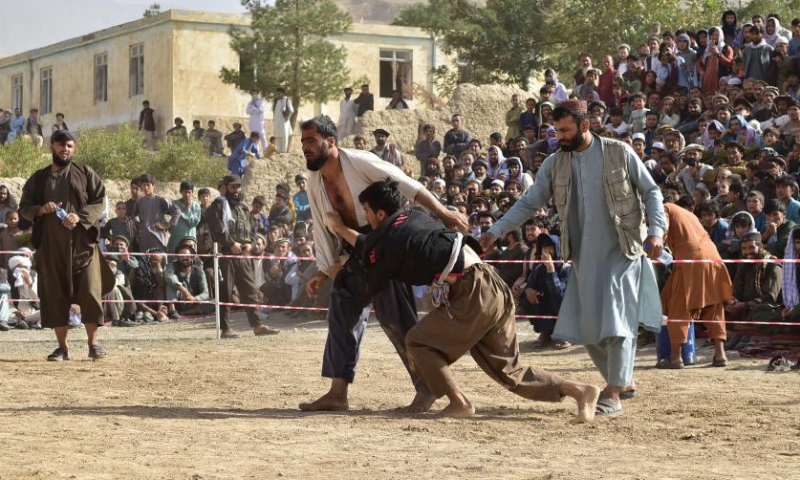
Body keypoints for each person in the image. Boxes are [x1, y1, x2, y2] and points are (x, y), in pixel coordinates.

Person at [326, 180, 601, 422]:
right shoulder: (416, 215)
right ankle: (580, 391)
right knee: (509, 371)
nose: (366, 218)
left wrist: (337, 250)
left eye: (368, 212)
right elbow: (373, 243)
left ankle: (458, 401)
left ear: (381, 213)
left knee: (417, 341)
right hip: (492, 286)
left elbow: (371, 261)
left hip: (473, 292)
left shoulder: (390, 238)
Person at [480, 100, 666, 418]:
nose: (559, 137)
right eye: (556, 131)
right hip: (581, 257)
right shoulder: (555, 163)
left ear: (584, 126)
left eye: (565, 130)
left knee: (617, 320)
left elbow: (651, 191)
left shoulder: (618, 152)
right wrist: (495, 231)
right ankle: (623, 379)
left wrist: (657, 231)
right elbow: (528, 203)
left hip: (623, 250)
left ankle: (613, 392)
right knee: (586, 327)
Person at [298, 116, 468, 413]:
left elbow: (406, 184)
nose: (305, 148)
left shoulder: (360, 161)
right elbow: (323, 227)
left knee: (397, 320)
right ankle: (338, 392)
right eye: (303, 142)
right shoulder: (315, 183)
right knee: (342, 306)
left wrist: (443, 212)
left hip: (387, 241)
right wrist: (325, 271)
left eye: (311, 140)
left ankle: (429, 387)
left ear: (331, 141)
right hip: (353, 249)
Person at [18, 130, 115, 361]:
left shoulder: (84, 172)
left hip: (83, 245)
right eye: (61, 145)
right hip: (52, 248)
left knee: (91, 291)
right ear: (52, 147)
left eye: (69, 146)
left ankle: (94, 345)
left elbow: (100, 200)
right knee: (54, 295)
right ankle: (62, 348)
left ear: (74, 148)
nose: (65, 149)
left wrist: (79, 216)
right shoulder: (39, 178)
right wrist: (41, 209)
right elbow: (24, 206)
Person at [205, 174, 280, 338]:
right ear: (226, 188)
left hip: (243, 255)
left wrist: (251, 245)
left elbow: (252, 231)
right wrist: (230, 243)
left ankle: (258, 325)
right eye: (233, 187)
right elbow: (215, 226)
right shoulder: (218, 205)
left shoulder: (244, 209)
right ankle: (225, 329)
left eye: (238, 186)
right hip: (227, 254)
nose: (237, 190)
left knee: (250, 290)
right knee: (226, 291)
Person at [659, 204, 731, 369]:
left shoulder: (663, 208)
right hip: (712, 256)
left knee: (679, 305)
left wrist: (649, 245)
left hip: (691, 259)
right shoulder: (685, 213)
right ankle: (720, 354)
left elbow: (660, 231)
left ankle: (675, 358)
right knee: (713, 304)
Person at [132, 174, 170, 253]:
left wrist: (167, 225)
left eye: (148, 185)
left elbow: (176, 211)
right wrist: (138, 224)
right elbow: (134, 214)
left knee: (159, 260)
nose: (146, 187)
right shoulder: (140, 201)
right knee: (145, 262)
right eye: (144, 185)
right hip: (144, 238)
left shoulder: (160, 199)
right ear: (141, 187)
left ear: (153, 186)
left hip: (158, 236)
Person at [167, 180, 201, 253]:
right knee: (174, 260)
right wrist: (166, 225)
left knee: (188, 260)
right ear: (180, 192)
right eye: (185, 192)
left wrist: (187, 208)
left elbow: (193, 223)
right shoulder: (174, 204)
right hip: (175, 238)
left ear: (192, 193)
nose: (187, 194)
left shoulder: (196, 206)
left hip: (189, 239)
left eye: (189, 192)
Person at [272, 87, 294, 153]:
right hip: (277, 121)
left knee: (284, 136)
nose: (278, 94)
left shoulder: (286, 100)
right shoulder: (275, 100)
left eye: (280, 93)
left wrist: (287, 118)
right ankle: (279, 151)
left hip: (284, 121)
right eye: (277, 93)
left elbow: (291, 110)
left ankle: (283, 152)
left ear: (283, 93)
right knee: (277, 136)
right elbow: (273, 110)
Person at [247, 89, 268, 153]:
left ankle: (266, 151)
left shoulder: (261, 101)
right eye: (252, 93)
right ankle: (256, 152)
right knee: (254, 138)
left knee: (262, 136)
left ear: (257, 94)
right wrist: (255, 110)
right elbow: (248, 111)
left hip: (259, 122)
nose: (254, 95)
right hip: (252, 122)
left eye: (255, 93)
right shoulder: (249, 103)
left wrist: (253, 109)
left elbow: (261, 110)